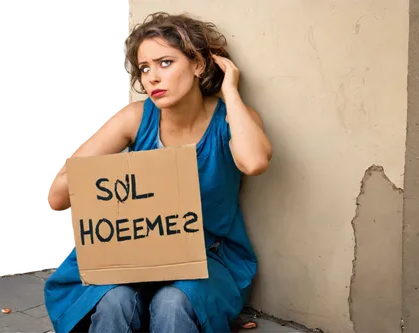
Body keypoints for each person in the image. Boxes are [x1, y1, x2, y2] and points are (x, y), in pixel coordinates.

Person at [44, 11, 272, 333]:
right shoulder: (135, 118)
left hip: (204, 259)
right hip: (132, 255)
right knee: (115, 301)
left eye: (165, 63)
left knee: (172, 303)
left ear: (198, 65)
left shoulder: (231, 118)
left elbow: (254, 162)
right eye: (145, 68)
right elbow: (56, 198)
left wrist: (230, 89)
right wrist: (101, 177)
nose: (152, 77)